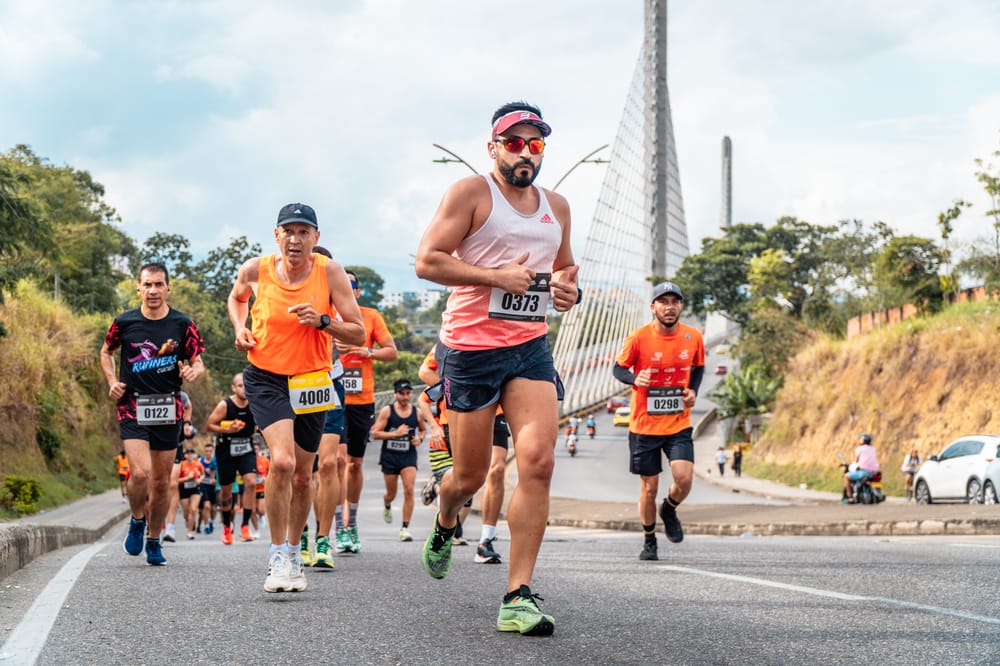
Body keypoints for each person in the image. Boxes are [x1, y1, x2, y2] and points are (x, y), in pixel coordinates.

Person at [414, 100, 579, 636]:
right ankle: (445, 519)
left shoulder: (557, 205)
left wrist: (567, 290)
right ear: (493, 148)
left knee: (537, 462)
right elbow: (427, 261)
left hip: (529, 346)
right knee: (469, 475)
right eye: (514, 143)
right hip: (470, 349)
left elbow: (565, 271)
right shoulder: (469, 193)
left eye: (535, 144)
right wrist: (493, 277)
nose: (525, 153)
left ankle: (517, 595)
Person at [228, 202, 364, 593]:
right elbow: (238, 299)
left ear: (316, 238)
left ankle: (292, 551)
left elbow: (356, 332)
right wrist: (241, 328)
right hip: (266, 377)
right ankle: (275, 555)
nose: (296, 239)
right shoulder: (256, 269)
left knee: (305, 475)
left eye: (304, 232)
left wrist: (324, 321)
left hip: (312, 381)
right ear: (277, 236)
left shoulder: (330, 273)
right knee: (283, 462)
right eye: (289, 231)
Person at [99, 261, 205, 566]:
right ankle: (136, 519)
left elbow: (197, 361)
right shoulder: (125, 322)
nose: (154, 290)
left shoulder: (182, 324)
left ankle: (155, 539)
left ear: (168, 288)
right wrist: (112, 382)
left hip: (168, 407)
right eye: (148, 284)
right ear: (139, 288)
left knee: (161, 482)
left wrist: (193, 370)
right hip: (132, 405)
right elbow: (106, 351)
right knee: (141, 473)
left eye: (159, 284)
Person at [613, 281, 705, 563]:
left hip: (678, 422)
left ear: (681, 306)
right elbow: (619, 368)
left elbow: (698, 367)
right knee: (648, 487)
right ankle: (649, 539)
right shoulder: (638, 337)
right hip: (644, 425)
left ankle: (670, 507)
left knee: (684, 478)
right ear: (653, 307)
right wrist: (633, 378)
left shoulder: (693, 337)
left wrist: (693, 391)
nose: (670, 306)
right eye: (663, 301)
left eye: (675, 301)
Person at [417, 347, 507, 561]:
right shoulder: (458, 332)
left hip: (497, 411)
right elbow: (424, 372)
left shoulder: (508, 330)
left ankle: (486, 541)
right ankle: (446, 522)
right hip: (461, 411)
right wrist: (459, 387)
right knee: (467, 480)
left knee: (497, 469)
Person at [336, 269, 398, 555]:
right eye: (342, 285)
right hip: (331, 396)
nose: (347, 290)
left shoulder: (371, 316)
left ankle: (352, 523)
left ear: (357, 292)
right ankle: (337, 524)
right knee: (336, 460)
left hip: (362, 398)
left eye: (351, 286)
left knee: (354, 464)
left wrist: (366, 353)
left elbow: (392, 351)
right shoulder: (326, 317)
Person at [298, 245, 346, 569]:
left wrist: (337, 330)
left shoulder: (338, 296)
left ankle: (323, 539)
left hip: (329, 384)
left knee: (328, 464)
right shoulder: (286, 293)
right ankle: (298, 533)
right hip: (293, 385)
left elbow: (356, 332)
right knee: (298, 470)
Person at [205, 373, 258, 545]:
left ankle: (245, 526)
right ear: (234, 388)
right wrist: (228, 430)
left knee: (251, 482)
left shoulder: (255, 403)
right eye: (240, 385)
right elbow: (209, 425)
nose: (245, 388)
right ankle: (227, 527)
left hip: (246, 448)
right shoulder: (225, 405)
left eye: (247, 385)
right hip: (226, 448)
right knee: (226, 492)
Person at [370, 379, 426, 542]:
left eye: (408, 393)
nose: (405, 397)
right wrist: (395, 434)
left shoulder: (417, 413)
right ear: (395, 394)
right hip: (390, 456)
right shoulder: (387, 411)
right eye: (402, 393)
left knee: (409, 489)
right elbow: (376, 433)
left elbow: (423, 430)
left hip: (408, 456)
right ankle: (387, 503)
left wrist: (420, 439)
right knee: (391, 494)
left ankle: (405, 528)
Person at [163, 392, 195, 542]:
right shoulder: (147, 389)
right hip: (153, 442)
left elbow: (188, 405)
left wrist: (187, 423)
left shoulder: (180, 395)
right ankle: (151, 523)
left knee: (173, 483)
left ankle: (170, 526)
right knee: (155, 483)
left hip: (176, 444)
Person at [843, 434, 880, 502]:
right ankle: (877, 493)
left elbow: (856, 461)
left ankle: (850, 496)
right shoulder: (873, 449)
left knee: (846, 476)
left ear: (863, 440)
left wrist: (851, 465)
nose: (860, 440)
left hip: (864, 471)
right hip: (875, 471)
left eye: (860, 439)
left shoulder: (859, 449)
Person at [178, 447, 205, 539]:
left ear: (194, 455)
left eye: (192, 453)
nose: (190, 455)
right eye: (188, 454)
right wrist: (187, 478)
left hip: (195, 489)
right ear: (185, 455)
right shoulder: (181, 464)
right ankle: (188, 520)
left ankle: (189, 532)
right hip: (184, 489)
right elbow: (176, 480)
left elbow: (203, 474)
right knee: (186, 512)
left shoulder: (198, 464)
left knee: (193, 509)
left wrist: (199, 480)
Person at [197, 442, 218, 534]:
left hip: (213, 486)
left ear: (212, 451)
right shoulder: (200, 461)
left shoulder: (216, 461)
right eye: (206, 451)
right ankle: (206, 525)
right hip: (203, 485)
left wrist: (216, 480)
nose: (208, 453)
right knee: (206, 506)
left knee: (213, 508)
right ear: (204, 451)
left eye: (210, 451)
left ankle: (211, 522)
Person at [254, 441, 270, 539]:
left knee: (261, 510)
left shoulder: (264, 460)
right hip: (251, 489)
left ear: (259, 449)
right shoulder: (249, 460)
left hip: (262, 488)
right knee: (253, 510)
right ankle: (256, 529)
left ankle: (261, 516)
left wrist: (266, 478)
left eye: (256, 448)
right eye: (253, 448)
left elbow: (271, 471)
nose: (255, 450)